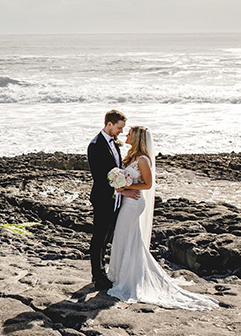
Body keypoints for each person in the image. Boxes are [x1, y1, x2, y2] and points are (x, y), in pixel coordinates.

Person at [107, 125, 217, 310]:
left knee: (128, 236)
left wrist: (126, 188)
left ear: (137, 138)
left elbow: (148, 184)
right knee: (124, 236)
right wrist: (121, 185)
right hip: (128, 201)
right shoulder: (131, 156)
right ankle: (119, 274)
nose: (126, 135)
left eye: (129, 134)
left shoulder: (142, 159)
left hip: (134, 203)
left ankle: (129, 278)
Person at [87, 110, 133, 290]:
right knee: (99, 238)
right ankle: (97, 276)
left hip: (115, 199)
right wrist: (121, 190)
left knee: (107, 237)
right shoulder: (95, 145)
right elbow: (99, 177)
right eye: (119, 128)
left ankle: (103, 271)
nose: (121, 131)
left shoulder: (114, 143)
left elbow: (116, 169)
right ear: (109, 124)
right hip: (102, 198)